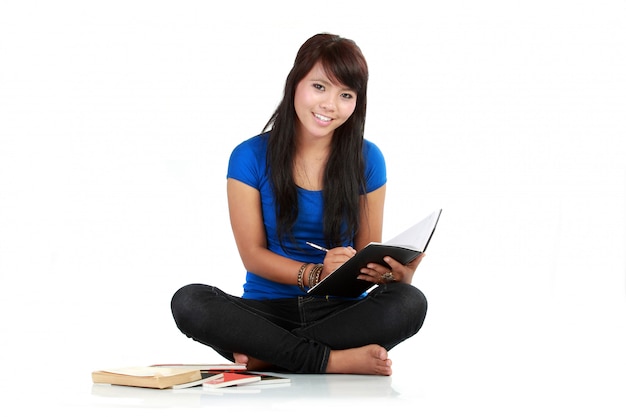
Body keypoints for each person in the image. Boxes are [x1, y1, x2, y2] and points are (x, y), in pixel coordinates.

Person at [171, 33, 428, 376]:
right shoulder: (249, 156)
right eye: (319, 87)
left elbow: (366, 256)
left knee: (411, 303)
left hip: (340, 312)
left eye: (346, 94)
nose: (330, 105)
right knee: (189, 301)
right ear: (295, 83)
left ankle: (272, 356)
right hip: (265, 312)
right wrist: (316, 273)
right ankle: (331, 360)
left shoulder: (368, 159)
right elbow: (253, 254)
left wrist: (394, 277)